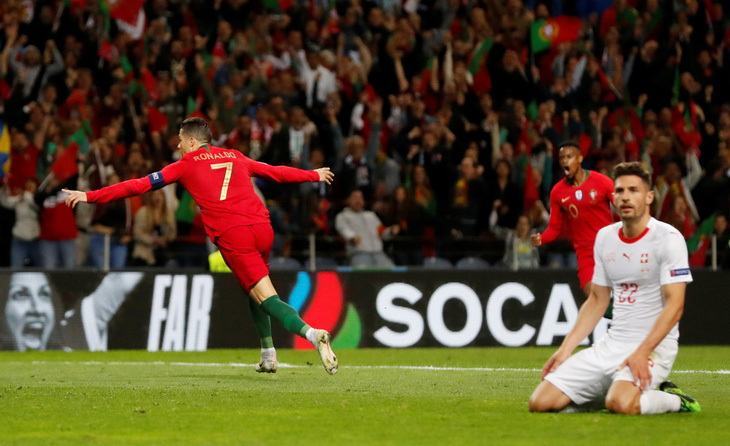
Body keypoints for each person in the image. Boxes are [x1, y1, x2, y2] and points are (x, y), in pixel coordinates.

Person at [63, 117, 338, 375]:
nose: (178, 146)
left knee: (266, 296)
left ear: (193, 142)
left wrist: (90, 195)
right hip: (262, 228)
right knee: (252, 289)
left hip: (234, 234)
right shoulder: (234, 155)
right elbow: (273, 172)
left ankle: (312, 334)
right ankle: (268, 355)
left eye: (181, 140)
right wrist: (312, 175)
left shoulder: (186, 164)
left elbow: (139, 186)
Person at [528, 162, 700, 414]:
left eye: (634, 190)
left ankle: (674, 400)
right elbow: (597, 299)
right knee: (540, 403)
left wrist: (642, 352)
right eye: (619, 191)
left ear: (649, 197)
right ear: (612, 197)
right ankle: (618, 391)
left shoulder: (668, 238)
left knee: (619, 404)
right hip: (612, 344)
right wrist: (565, 349)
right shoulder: (605, 238)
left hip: (654, 348)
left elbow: (676, 305)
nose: (626, 197)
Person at [531, 141, 615, 298]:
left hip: (609, 247)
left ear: (580, 158)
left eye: (569, 156)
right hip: (585, 252)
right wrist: (541, 238)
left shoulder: (602, 181)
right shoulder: (557, 192)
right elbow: (554, 228)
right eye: (562, 157)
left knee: (622, 294)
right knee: (593, 296)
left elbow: (623, 207)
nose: (564, 161)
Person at [2, 272, 142, 351]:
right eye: (21, 295)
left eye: (44, 294)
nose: (37, 309)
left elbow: (119, 282)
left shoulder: (74, 331)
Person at [335, 189, 399, 268]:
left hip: (378, 254)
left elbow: (382, 232)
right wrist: (352, 237)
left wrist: (391, 231)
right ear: (349, 200)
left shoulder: (371, 215)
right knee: (364, 275)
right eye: (355, 198)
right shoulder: (343, 216)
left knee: (393, 271)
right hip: (359, 254)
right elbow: (344, 229)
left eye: (360, 198)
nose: (358, 200)